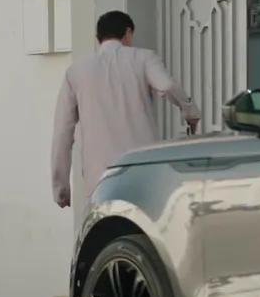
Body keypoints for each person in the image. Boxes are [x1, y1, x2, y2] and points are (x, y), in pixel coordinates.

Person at [51, 11, 202, 209]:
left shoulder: (76, 71)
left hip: (100, 177)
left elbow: (62, 133)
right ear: (128, 33)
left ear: (98, 38)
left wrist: (60, 187)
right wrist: (190, 112)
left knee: (106, 226)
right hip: (143, 170)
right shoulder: (144, 57)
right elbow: (166, 86)